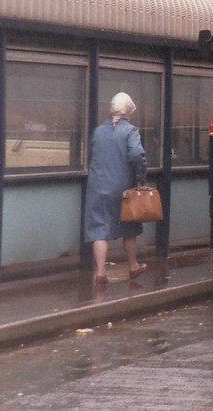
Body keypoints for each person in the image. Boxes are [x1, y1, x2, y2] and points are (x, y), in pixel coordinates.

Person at [84, 92, 148, 285]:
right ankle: (133, 266)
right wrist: (140, 176)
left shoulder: (98, 131)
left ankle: (101, 272)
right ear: (129, 111)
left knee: (99, 228)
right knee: (128, 227)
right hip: (123, 187)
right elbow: (137, 154)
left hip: (98, 186)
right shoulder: (130, 131)